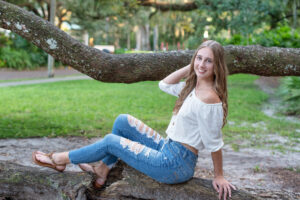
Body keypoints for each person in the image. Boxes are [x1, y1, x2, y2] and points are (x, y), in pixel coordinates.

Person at [32, 40, 236, 200]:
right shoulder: (193, 87)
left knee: (112, 141)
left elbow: (214, 143)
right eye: (199, 58)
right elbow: (164, 84)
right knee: (123, 121)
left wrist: (218, 175)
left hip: (175, 165)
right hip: (168, 148)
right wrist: (192, 66)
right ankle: (102, 170)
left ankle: (60, 159)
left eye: (208, 61)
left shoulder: (209, 98)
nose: (202, 64)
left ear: (217, 66)